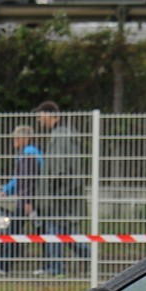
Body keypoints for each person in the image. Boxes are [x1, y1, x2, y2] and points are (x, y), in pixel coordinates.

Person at [33, 100, 88, 276]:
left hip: (59, 196)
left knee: (55, 232)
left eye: (40, 116)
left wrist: (53, 192)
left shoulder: (60, 136)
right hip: (65, 194)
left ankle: (55, 269)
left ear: (49, 115)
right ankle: (88, 258)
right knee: (66, 233)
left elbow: (59, 169)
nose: (39, 120)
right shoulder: (64, 134)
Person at [0, 124, 43, 264]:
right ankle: (48, 264)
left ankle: (4, 264)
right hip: (29, 199)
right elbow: (19, 178)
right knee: (40, 231)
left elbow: (28, 179)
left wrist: (28, 201)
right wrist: (7, 189)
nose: (14, 140)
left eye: (17, 137)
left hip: (27, 201)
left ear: (24, 138)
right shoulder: (28, 153)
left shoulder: (29, 155)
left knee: (14, 229)